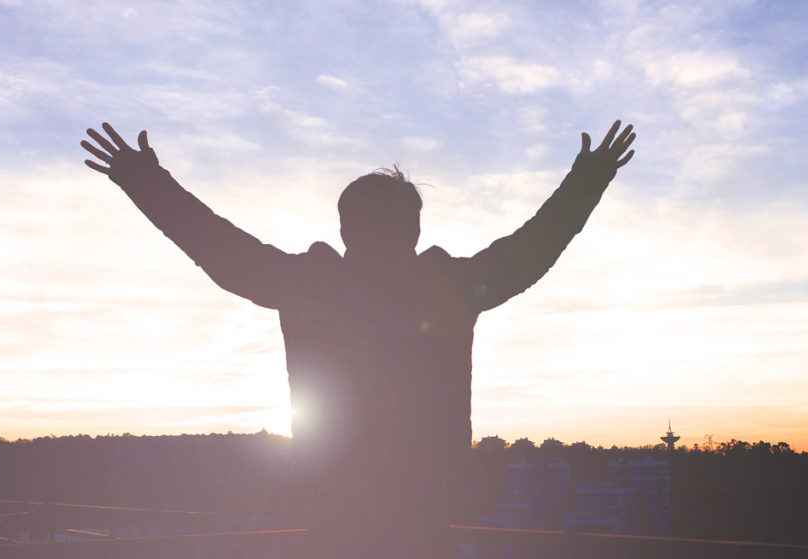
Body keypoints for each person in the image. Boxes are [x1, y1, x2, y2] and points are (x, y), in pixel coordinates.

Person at [81, 120, 636, 557]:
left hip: (339, 514)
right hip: (420, 513)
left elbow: (221, 249)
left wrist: (146, 182)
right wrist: (587, 181)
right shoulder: (449, 288)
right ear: (414, 230)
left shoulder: (308, 285)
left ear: (346, 228)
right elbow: (530, 251)